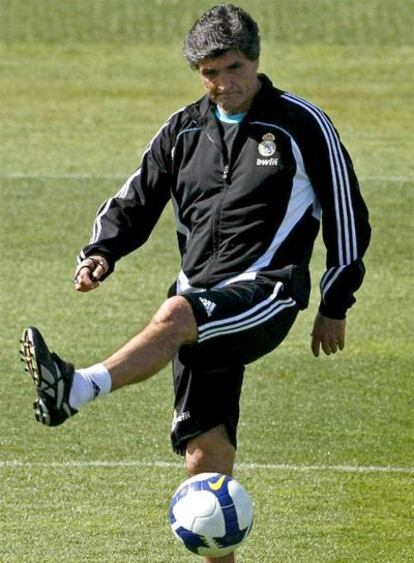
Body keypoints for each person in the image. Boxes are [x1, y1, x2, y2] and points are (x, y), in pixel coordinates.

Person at [20, 4, 371, 562]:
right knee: (204, 466)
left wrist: (336, 299)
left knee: (177, 314)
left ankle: (77, 387)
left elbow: (347, 214)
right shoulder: (184, 128)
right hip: (200, 292)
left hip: (268, 291)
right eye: (209, 73)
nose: (223, 84)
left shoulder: (301, 124)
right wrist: (101, 251)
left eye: (232, 68)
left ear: (254, 61)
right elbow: (137, 198)